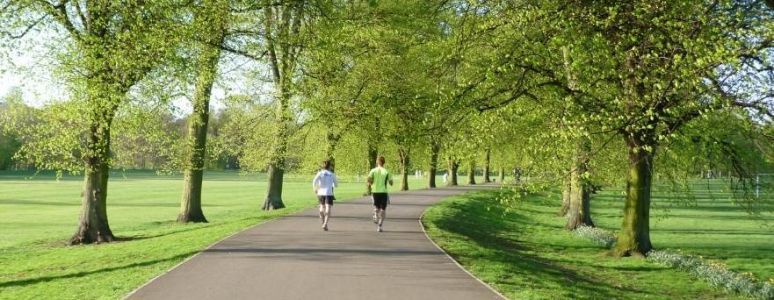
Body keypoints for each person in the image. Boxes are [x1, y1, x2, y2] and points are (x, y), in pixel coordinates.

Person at [367, 156, 393, 232]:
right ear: (384, 162)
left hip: (375, 192)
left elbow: (368, 179)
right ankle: (379, 226)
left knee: (377, 207)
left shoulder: (373, 171)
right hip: (383, 192)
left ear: (377, 162)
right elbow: (391, 183)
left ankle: (375, 213)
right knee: (383, 210)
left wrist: (371, 183)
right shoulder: (386, 171)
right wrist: (390, 181)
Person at [312, 160, 338, 231]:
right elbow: (336, 185)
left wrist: (315, 189)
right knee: (328, 208)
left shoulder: (320, 173)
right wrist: (331, 183)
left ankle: (323, 222)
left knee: (321, 207)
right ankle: (325, 223)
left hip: (320, 192)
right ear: (329, 166)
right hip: (328, 193)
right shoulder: (332, 174)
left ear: (322, 166)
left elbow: (314, 181)